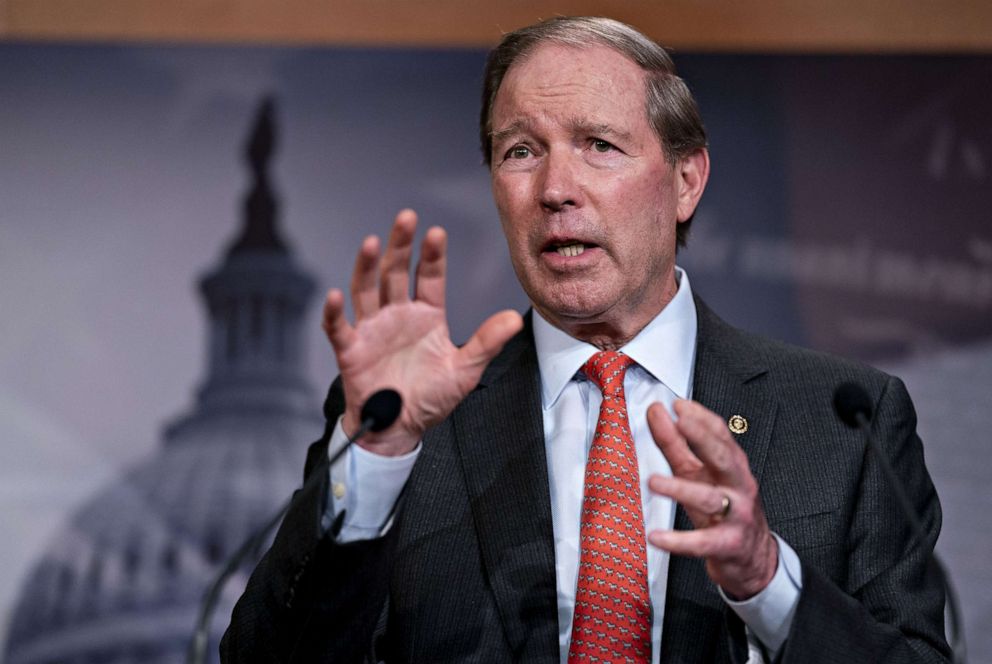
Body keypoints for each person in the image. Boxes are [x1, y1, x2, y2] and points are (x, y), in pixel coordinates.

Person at [221, 16, 949, 663]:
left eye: (599, 145)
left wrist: (768, 582)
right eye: (519, 152)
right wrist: (375, 460)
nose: (554, 189)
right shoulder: (406, 424)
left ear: (686, 180)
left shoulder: (844, 419)